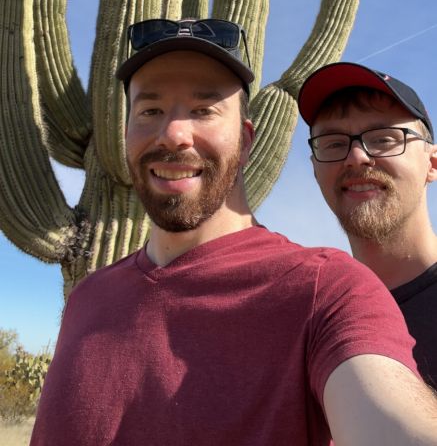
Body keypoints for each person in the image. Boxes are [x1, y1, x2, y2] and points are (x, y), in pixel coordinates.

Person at [31, 22, 437, 446]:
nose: (173, 134)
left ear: (245, 141)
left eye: (204, 109)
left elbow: (391, 420)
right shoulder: (87, 298)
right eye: (149, 111)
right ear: (126, 134)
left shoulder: (325, 288)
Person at [298, 61, 437, 390]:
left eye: (384, 139)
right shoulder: (306, 322)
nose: (356, 157)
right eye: (334, 143)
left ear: (432, 164)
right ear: (315, 170)